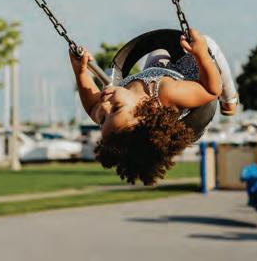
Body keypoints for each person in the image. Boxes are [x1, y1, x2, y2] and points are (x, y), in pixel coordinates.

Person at [69, 28, 238, 185]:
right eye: (116, 108)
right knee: (208, 44)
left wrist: (80, 72)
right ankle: (230, 100)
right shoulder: (167, 93)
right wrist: (201, 54)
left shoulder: (115, 116)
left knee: (159, 51)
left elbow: (92, 107)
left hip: (157, 72)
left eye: (102, 119)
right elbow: (211, 90)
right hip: (193, 79)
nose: (105, 105)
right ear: (146, 112)